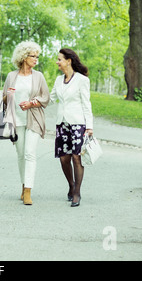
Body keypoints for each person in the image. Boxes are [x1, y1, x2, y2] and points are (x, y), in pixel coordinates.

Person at [2, 41, 50, 205]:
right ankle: (23, 186)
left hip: (34, 119)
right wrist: (8, 95)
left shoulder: (39, 76)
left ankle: (28, 190)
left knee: (30, 153)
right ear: (23, 57)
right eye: (33, 56)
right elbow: (4, 100)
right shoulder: (11, 76)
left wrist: (32, 103)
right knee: (21, 155)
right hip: (17, 121)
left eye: (37, 56)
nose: (36, 59)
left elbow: (46, 98)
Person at [49, 48, 93, 207]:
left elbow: (86, 103)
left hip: (78, 123)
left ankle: (77, 192)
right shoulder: (58, 80)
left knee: (76, 156)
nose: (57, 62)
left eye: (60, 59)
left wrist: (89, 126)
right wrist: (34, 102)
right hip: (62, 123)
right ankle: (71, 184)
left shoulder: (82, 80)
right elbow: (51, 99)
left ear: (69, 61)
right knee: (64, 158)